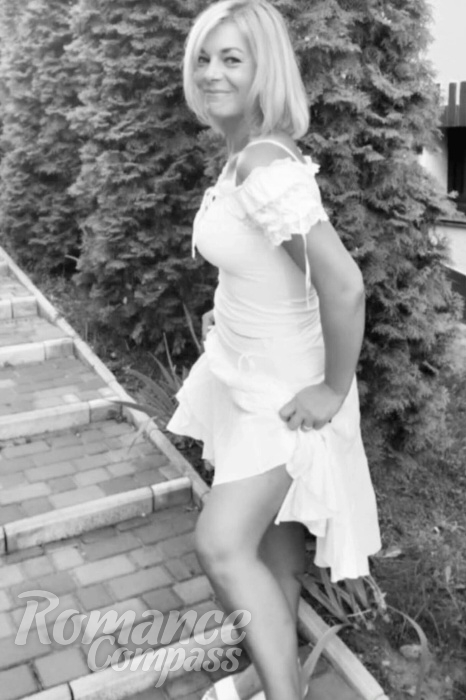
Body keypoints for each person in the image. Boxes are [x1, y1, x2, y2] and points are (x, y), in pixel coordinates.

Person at [167, 1, 381, 698]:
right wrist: (225, 309)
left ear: (265, 70)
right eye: (204, 57)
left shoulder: (264, 163)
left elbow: (343, 286)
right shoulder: (245, 156)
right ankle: (266, 677)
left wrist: (331, 390)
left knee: (222, 543)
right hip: (246, 370)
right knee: (274, 546)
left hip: (283, 396)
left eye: (232, 59)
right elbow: (266, 264)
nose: (211, 72)